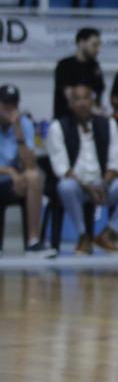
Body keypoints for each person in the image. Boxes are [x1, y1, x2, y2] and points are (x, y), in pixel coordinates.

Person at [48, 83, 118, 256]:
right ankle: (83, 236)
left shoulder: (107, 124)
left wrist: (103, 184)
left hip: (103, 185)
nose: (81, 103)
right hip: (78, 186)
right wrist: (88, 187)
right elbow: (62, 168)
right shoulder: (58, 127)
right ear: (70, 103)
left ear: (92, 101)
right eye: (76, 99)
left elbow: (115, 161)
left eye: (85, 98)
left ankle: (108, 233)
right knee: (65, 187)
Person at [0, 83, 49, 255]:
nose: (10, 109)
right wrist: (11, 172)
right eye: (5, 104)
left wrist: (19, 133)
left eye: (13, 104)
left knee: (34, 176)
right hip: (7, 176)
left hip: (13, 184)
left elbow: (29, 164)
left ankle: (33, 241)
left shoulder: (24, 124)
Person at [53, 27, 104, 120]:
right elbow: (69, 94)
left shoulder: (95, 66)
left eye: (99, 45)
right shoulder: (65, 65)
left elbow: (97, 94)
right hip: (66, 120)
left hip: (90, 120)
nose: (98, 49)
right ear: (81, 43)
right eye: (94, 45)